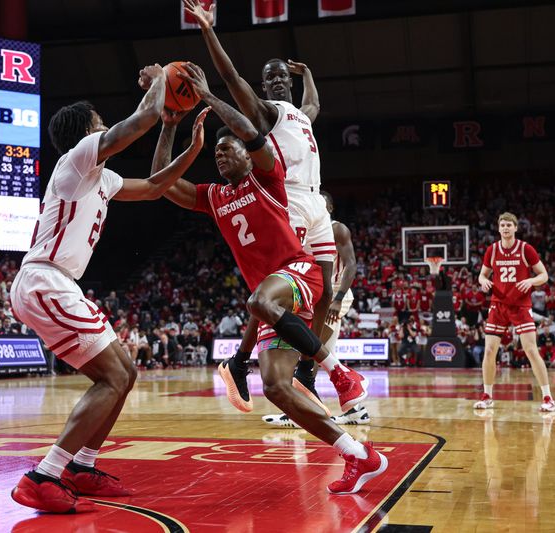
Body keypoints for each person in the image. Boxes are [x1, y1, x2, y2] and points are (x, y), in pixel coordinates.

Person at [153, 62, 385, 494]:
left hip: (299, 274)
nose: (222, 154)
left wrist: (207, 97)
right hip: (276, 302)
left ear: (247, 152)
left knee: (257, 302)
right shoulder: (214, 196)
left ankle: (339, 374)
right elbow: (162, 180)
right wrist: (169, 125)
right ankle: (358, 455)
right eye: (217, 153)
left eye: (230, 149)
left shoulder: (268, 175)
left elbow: (252, 129)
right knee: (278, 388)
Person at [9, 65, 210, 514]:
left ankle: (82, 466)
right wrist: (162, 78)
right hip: (45, 279)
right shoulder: (78, 159)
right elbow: (137, 122)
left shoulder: (103, 179)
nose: (105, 125)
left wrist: (181, 137)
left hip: (57, 284)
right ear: (86, 131)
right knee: (114, 376)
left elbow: (157, 187)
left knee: (125, 372)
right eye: (99, 121)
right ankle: (43, 475)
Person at [184, 0, 336, 412]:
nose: (279, 80)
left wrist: (311, 77)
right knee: (277, 287)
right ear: (265, 87)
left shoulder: (301, 114)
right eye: (272, 77)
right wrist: (208, 31)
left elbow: (315, 106)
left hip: (316, 201)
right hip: (289, 200)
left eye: (283, 75)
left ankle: (305, 370)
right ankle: (241, 362)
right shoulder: (266, 112)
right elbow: (232, 77)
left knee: (328, 292)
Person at [262, 191, 370, 427]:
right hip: (310, 293)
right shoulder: (302, 230)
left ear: (328, 208)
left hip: (332, 296)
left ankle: (302, 410)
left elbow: (351, 265)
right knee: (320, 352)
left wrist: (339, 298)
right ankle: (355, 409)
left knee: (310, 349)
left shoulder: (337, 229)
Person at [473, 213, 555, 412]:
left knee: (530, 350)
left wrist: (530, 281)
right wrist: (483, 281)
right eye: (502, 225)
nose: (505, 228)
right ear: (498, 228)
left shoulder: (525, 249)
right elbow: (482, 275)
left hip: (520, 305)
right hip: (498, 304)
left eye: (509, 225)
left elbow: (544, 275)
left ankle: (548, 397)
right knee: (490, 350)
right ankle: (487, 395)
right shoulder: (492, 250)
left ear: (515, 228)